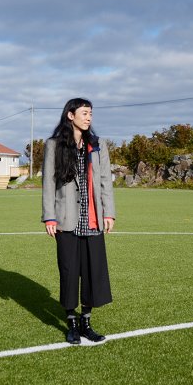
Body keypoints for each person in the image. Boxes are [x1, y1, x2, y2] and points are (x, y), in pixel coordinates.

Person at [42, 98, 115, 344]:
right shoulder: (54, 145)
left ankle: (86, 321)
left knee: (92, 272)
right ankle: (71, 322)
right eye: (84, 113)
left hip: (92, 218)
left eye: (90, 113)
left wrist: (108, 212)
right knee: (69, 271)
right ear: (70, 115)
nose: (89, 117)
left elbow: (105, 182)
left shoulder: (98, 145)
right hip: (65, 219)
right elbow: (48, 184)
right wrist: (49, 216)